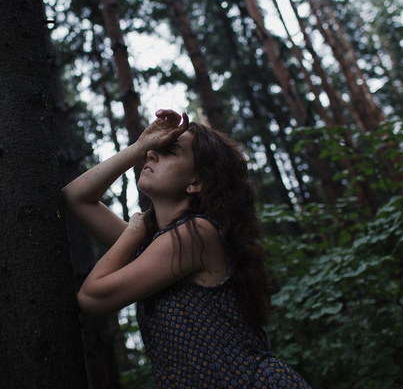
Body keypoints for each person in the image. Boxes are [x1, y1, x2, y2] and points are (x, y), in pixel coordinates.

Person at [63, 109, 311, 388]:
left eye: (170, 152)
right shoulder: (157, 244)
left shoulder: (196, 234)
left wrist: (134, 230)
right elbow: (76, 197)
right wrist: (140, 146)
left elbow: (91, 298)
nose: (152, 155)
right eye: (154, 150)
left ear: (196, 182)